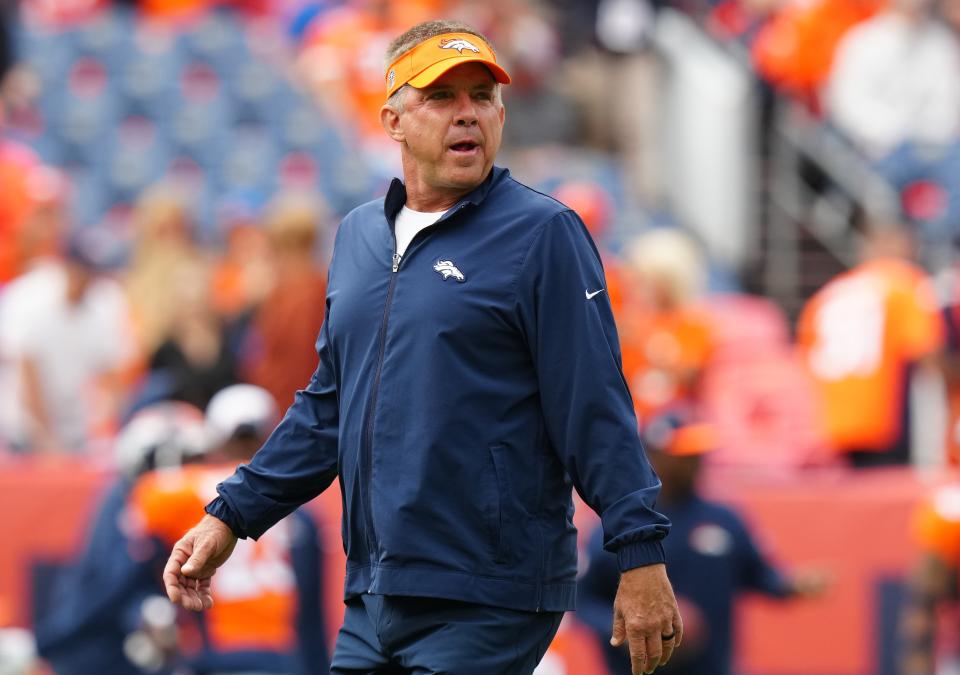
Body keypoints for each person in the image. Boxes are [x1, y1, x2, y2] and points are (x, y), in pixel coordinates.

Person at [163, 19, 681, 675]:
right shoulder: (358, 238)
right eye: (441, 97)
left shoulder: (543, 233)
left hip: (491, 589)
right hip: (375, 591)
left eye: (481, 97)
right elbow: (328, 408)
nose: (467, 114)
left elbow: (594, 404)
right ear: (393, 119)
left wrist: (639, 549)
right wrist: (229, 517)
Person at [577, 406, 829, 675]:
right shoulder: (622, 525)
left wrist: (792, 584)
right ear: (654, 455)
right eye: (683, 454)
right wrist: (625, 629)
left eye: (697, 452)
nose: (695, 460)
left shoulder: (725, 518)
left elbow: (760, 575)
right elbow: (582, 601)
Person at [129, 384, 329, 674]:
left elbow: (132, 543)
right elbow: (311, 618)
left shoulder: (179, 492)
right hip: (280, 655)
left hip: (216, 652)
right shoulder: (300, 509)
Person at [796, 225, 944, 467]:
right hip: (882, 421)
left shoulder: (829, 292)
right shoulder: (903, 282)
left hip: (829, 421)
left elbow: (805, 360)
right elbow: (926, 353)